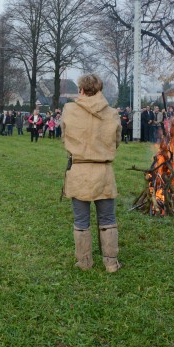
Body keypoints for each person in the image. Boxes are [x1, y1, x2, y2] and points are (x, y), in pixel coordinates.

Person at [62, 74, 122, 273]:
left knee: (81, 221)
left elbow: (64, 137)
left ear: (81, 89)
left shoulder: (69, 110)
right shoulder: (112, 113)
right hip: (103, 171)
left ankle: (84, 262)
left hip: (79, 170)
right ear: (100, 89)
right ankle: (111, 263)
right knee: (108, 219)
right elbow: (117, 141)